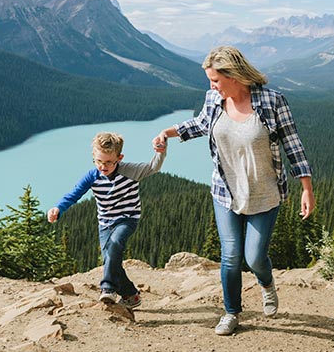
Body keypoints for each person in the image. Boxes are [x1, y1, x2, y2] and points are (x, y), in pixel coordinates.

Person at [152, 46, 315, 335]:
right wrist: (168, 132)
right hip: (225, 192)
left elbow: (293, 145)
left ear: (235, 76)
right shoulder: (214, 99)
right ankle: (231, 313)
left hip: (265, 194)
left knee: (254, 258)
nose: (211, 86)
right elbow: (201, 124)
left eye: (215, 80)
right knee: (230, 255)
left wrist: (306, 188)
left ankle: (266, 284)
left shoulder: (272, 101)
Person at [48, 131, 166, 309]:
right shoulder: (92, 176)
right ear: (94, 157)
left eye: (109, 162)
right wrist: (58, 208)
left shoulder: (129, 171)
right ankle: (131, 296)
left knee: (116, 243)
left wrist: (160, 151)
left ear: (119, 157)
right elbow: (74, 195)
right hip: (105, 222)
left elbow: (153, 167)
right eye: (99, 161)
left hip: (128, 218)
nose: (103, 166)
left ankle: (107, 288)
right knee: (111, 260)